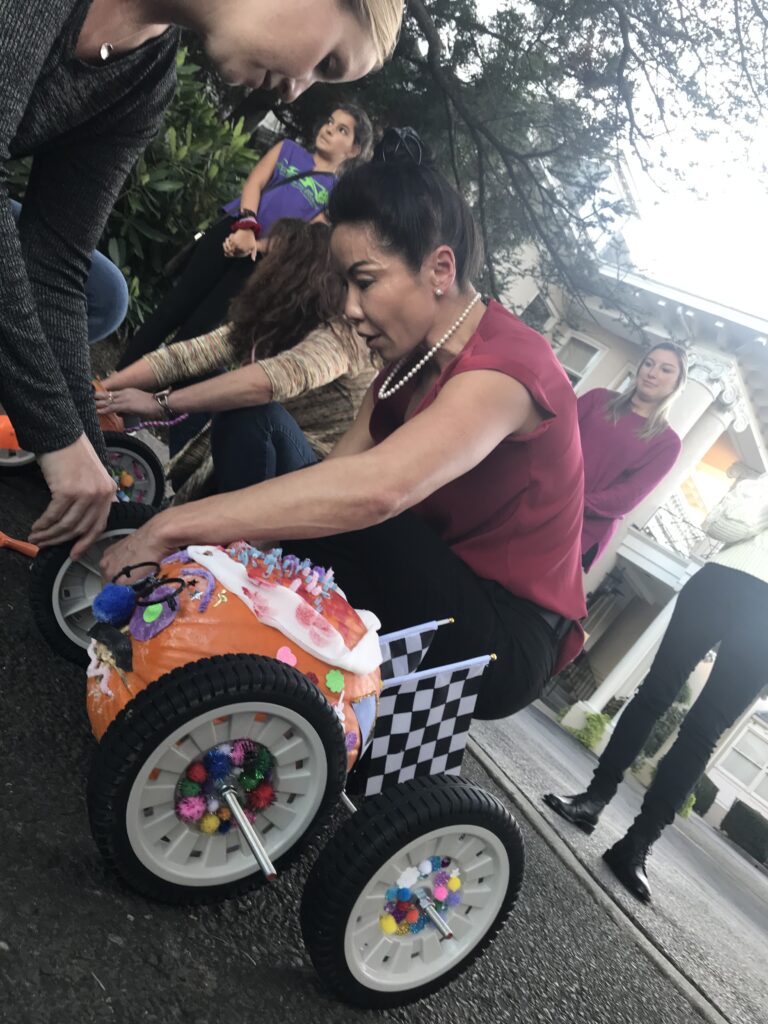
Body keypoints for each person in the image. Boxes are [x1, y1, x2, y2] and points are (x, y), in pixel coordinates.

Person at [101, 128, 587, 721]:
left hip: (501, 642)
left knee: (354, 505)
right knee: (313, 503)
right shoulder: (404, 369)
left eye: (364, 282)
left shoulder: (510, 366)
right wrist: (211, 567)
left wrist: (171, 529)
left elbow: (376, 491)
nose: (351, 308)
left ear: (439, 268)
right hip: (422, 576)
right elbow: (324, 487)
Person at [0, 0, 402, 560]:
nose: (298, 91)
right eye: (327, 62)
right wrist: (59, 434)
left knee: (101, 293)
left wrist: (91, 465)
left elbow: (55, 266)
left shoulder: (148, 75)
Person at [544, 474, 768, 903]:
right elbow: (720, 524)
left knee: (705, 731)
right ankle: (594, 798)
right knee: (655, 692)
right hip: (724, 579)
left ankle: (637, 845)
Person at [95, 219, 376, 501]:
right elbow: (191, 355)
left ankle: (221, 527)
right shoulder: (285, 317)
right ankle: (176, 478)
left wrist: (161, 405)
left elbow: (271, 381)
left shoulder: (345, 337)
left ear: (301, 277)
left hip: (305, 480)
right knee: (198, 374)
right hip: (254, 451)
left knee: (254, 410)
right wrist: (104, 389)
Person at [116, 104, 374, 370]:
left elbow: (305, 238)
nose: (329, 129)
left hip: (259, 263)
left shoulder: (336, 197)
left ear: (353, 150)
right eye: (330, 121)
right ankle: (113, 380)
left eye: (342, 130)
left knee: (198, 331)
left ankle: (141, 398)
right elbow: (255, 182)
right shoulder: (287, 149)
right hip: (230, 233)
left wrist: (256, 245)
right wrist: (246, 227)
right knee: (173, 308)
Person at [578, 343, 686, 571]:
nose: (652, 373)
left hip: (582, 531)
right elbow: (552, 439)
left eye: (666, 370)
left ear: (678, 383)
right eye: (649, 363)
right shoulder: (597, 399)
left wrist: (572, 503)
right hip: (536, 500)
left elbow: (627, 496)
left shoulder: (667, 443)